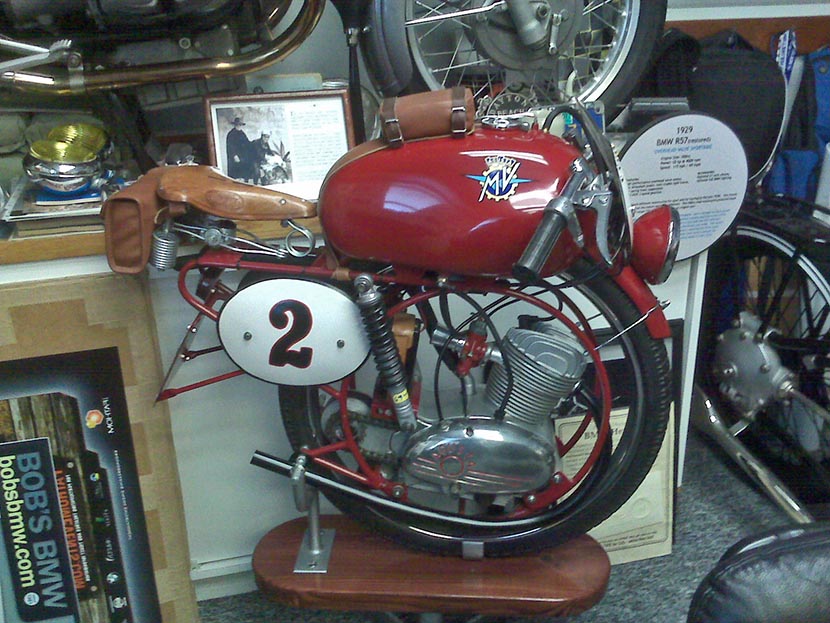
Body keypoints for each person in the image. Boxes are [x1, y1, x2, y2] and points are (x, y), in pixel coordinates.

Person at [225, 117, 253, 182]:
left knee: (243, 175)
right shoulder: (231, 134)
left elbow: (247, 143)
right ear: (235, 125)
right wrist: (234, 155)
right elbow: (230, 146)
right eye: (238, 124)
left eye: (240, 124)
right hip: (235, 158)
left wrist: (255, 143)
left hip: (243, 157)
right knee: (235, 176)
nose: (239, 126)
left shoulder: (242, 134)